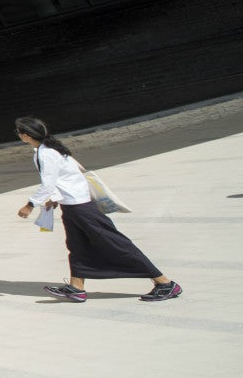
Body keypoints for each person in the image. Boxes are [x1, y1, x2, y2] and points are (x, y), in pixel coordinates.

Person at [15, 117, 181, 303]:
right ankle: (76, 288)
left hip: (81, 207)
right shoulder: (50, 149)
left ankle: (165, 283)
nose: (18, 135)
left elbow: (49, 183)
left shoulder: (47, 153)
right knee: (77, 246)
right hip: (72, 206)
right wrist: (55, 200)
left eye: (19, 132)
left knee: (115, 243)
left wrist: (29, 205)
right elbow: (71, 176)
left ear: (26, 135)